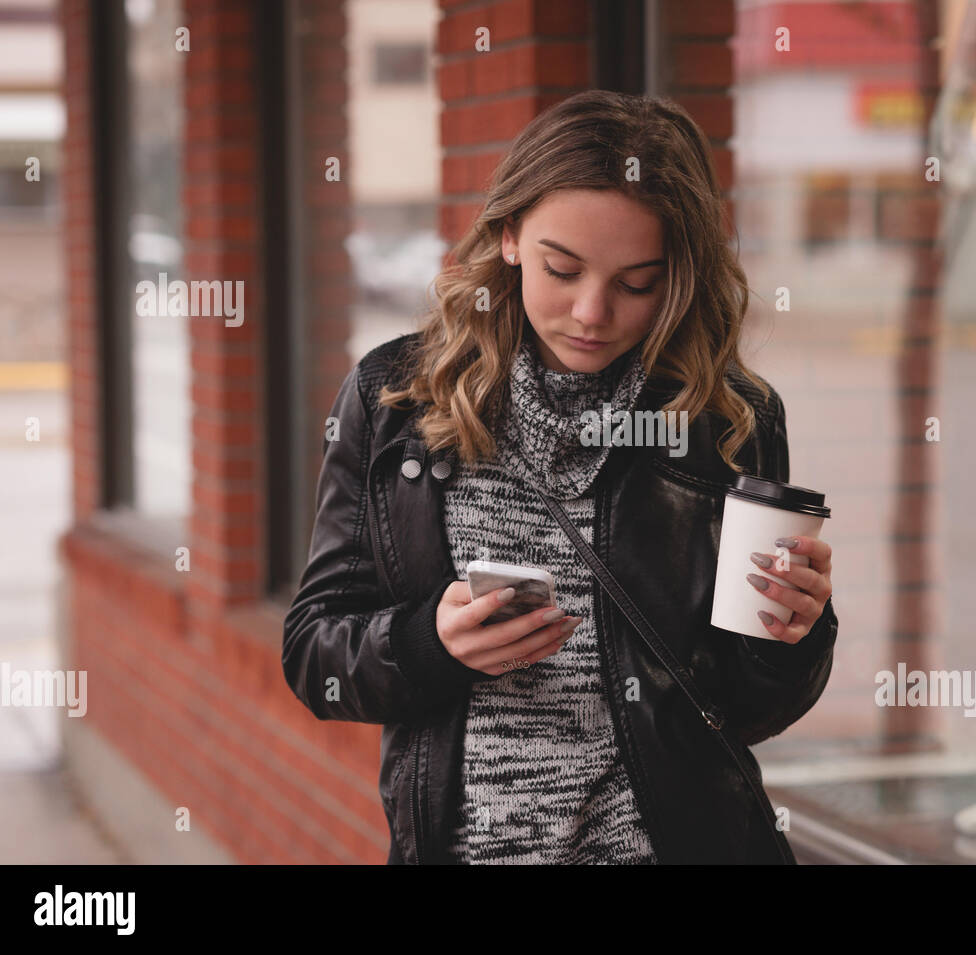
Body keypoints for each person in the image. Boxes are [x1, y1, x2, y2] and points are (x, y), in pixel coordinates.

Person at [282, 90, 839, 864]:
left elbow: (748, 707)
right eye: (561, 268)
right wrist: (429, 642)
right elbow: (315, 654)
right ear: (508, 235)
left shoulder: (727, 419)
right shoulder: (394, 401)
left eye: (636, 282)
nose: (591, 310)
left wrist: (791, 635)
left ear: (676, 272)